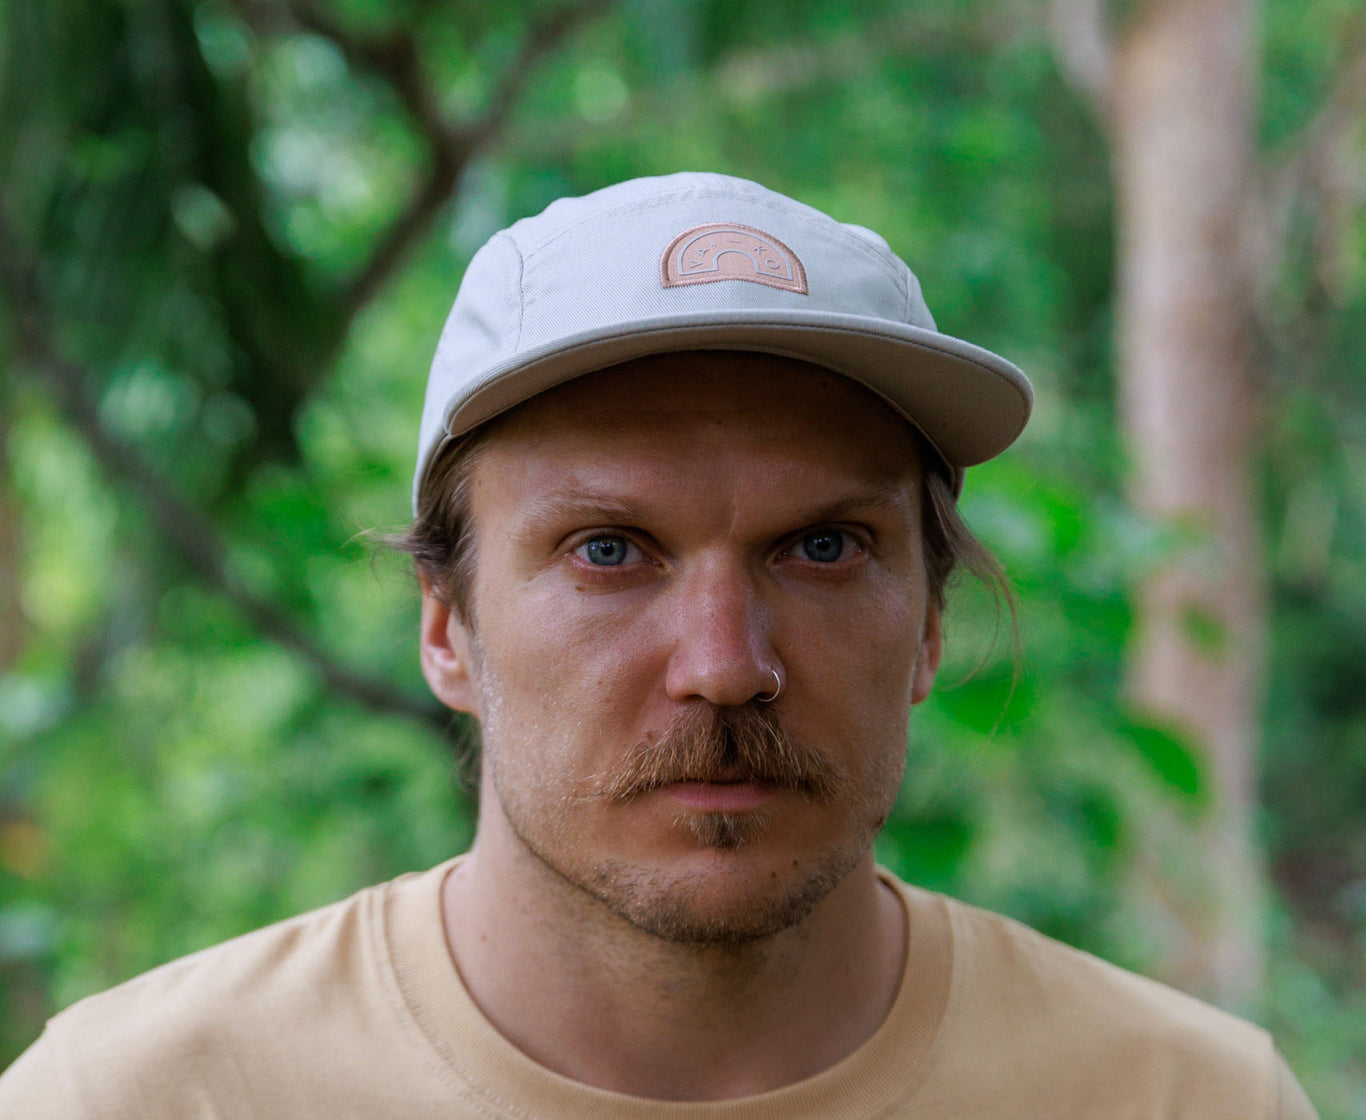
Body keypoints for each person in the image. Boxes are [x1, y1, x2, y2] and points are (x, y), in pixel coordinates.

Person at [0, 172, 1316, 1118]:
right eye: (608, 552)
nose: (725, 662)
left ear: (925, 627)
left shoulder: (1174, 1097)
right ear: (447, 628)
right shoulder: (146, 1099)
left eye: (821, 548)